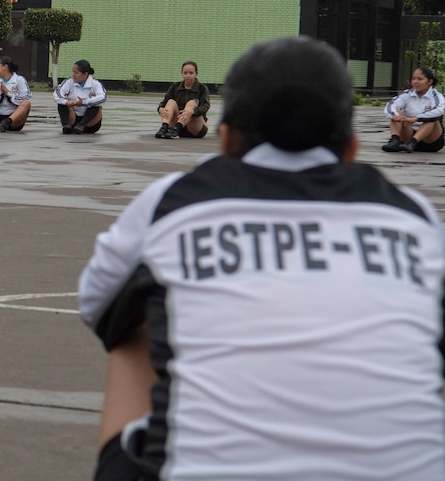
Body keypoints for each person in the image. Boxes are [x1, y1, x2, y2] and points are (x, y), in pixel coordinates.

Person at [77, 36, 445, 480]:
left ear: (225, 139)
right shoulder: (412, 215)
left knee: (133, 323)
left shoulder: (173, 202)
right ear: (351, 149)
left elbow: (96, 306)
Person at [382, 66, 444, 153]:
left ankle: (413, 142)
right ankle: (395, 140)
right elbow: (391, 105)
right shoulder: (407, 94)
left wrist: (417, 118)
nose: (415, 82)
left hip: (430, 140)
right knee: (398, 113)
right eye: (414, 79)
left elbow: (439, 110)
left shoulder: (437, 96)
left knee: (431, 118)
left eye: (420, 79)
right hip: (408, 137)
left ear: (430, 81)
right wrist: (394, 116)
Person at [154, 60, 210, 139]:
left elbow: (206, 106)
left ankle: (177, 128)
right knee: (171, 101)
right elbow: (164, 102)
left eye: (191, 73)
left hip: (195, 127)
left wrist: (193, 111)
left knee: (192, 103)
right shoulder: (175, 86)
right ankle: (164, 128)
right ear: (182, 73)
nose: (188, 75)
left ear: (196, 74)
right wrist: (160, 109)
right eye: (185, 73)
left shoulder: (202, 88)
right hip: (176, 125)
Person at [53, 59, 105, 135]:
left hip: (90, 122)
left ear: (85, 74)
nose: (73, 74)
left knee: (96, 104)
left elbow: (102, 97)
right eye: (73, 72)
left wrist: (84, 102)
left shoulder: (95, 84)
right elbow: (57, 94)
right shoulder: (69, 82)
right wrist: (67, 102)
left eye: (76, 72)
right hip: (73, 117)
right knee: (61, 103)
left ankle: (82, 125)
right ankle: (67, 125)